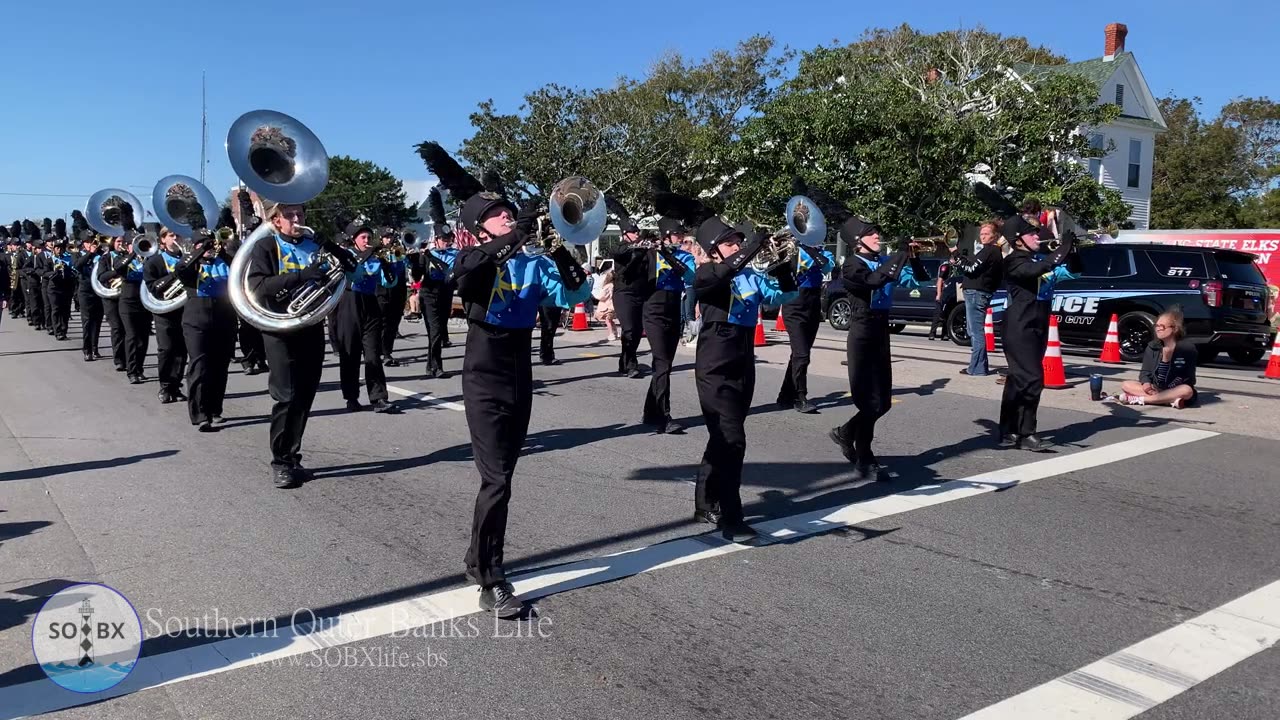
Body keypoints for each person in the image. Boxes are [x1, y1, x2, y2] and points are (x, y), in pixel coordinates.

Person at [689, 218, 798, 540]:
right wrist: (752, 245)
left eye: (739, 241)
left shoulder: (751, 275)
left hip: (742, 363)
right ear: (713, 251)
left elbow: (784, 297)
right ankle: (731, 518)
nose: (737, 246)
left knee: (723, 438)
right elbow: (721, 276)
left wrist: (781, 266)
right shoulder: (706, 273)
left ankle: (704, 501)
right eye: (730, 243)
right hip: (714, 367)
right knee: (732, 440)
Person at [244, 201, 354, 488]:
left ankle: (292, 456)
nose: (297, 218)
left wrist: (330, 245)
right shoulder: (266, 247)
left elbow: (349, 267)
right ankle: (280, 461)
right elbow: (259, 287)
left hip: (310, 326)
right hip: (279, 328)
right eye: (289, 215)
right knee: (286, 396)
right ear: (276, 221)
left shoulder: (313, 245)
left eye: (300, 214)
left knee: (305, 396)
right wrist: (302, 276)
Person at [829, 218, 928, 477]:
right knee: (869, 401)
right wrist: (898, 255)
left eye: (876, 232)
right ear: (857, 241)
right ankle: (865, 455)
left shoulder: (884, 261)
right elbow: (872, 281)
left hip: (882, 330)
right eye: (870, 234)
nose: (877, 236)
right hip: (862, 331)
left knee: (883, 402)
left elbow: (919, 281)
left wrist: (913, 257)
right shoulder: (852, 265)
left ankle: (845, 432)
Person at [998, 218, 1079, 450]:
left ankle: (1008, 429)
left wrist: (1072, 252)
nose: (1038, 237)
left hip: (1039, 324)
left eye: (1037, 233)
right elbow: (1034, 271)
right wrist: (1061, 249)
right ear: (1018, 241)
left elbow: (1074, 272)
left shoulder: (1042, 259)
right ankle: (1026, 433)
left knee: (1017, 379)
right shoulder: (1013, 262)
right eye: (1031, 234)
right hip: (1018, 325)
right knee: (1033, 378)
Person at [329, 224, 395, 413]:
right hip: (348, 304)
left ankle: (379, 397)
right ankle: (351, 397)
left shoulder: (376, 258)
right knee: (349, 353)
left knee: (373, 354)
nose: (367, 241)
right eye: (363, 237)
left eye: (369, 237)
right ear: (353, 239)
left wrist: (389, 266)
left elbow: (389, 281)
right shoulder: (345, 255)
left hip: (370, 305)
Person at [177, 228, 239, 431]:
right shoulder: (190, 263)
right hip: (197, 318)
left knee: (220, 366)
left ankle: (215, 410)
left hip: (225, 317)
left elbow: (241, 265)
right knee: (199, 365)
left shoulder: (225, 261)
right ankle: (200, 414)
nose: (209, 246)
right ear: (195, 246)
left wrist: (220, 250)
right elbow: (181, 271)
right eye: (203, 243)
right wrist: (199, 251)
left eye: (210, 242)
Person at [642, 221, 695, 434]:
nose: (681, 237)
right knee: (662, 364)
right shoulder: (650, 255)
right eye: (676, 234)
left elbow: (690, 277)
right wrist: (644, 249)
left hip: (673, 307)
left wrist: (668, 253)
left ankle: (649, 411)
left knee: (664, 364)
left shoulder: (685, 256)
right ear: (665, 235)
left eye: (682, 233)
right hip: (653, 308)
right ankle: (663, 416)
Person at [776, 236, 835, 414]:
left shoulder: (822, 253)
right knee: (802, 354)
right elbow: (786, 268)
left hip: (813, 302)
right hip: (794, 302)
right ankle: (799, 396)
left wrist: (810, 249)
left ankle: (785, 394)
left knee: (800, 353)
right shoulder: (792, 251)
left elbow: (827, 266)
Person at [99, 210, 151, 384]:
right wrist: (132, 254)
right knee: (132, 335)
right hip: (127, 301)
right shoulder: (121, 259)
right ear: (128, 245)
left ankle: (140, 368)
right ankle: (132, 370)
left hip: (144, 300)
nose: (137, 245)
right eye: (133, 243)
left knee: (143, 337)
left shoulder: (148, 259)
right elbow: (119, 269)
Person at [1111, 308, 1198, 408]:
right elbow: (1145, 372)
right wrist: (1146, 385)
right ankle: (1168, 400)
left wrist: (1166, 361)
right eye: (1157, 325)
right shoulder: (1153, 346)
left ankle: (1142, 399)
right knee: (1126, 385)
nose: (1158, 329)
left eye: (1162, 326)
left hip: (1176, 388)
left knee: (1187, 391)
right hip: (1154, 388)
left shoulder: (1187, 349)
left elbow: (1188, 377)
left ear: (1175, 329)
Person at [144, 228, 189, 403]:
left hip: (185, 309)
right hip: (164, 311)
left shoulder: (188, 258)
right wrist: (175, 274)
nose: (176, 237)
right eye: (171, 235)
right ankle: (165, 386)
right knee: (167, 349)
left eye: (177, 234)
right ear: (163, 240)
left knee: (181, 350)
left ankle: (176, 386)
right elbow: (153, 287)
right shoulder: (154, 261)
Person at [956, 221, 1003, 375]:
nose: (983, 236)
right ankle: (979, 366)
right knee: (974, 330)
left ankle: (976, 368)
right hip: (980, 292)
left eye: (987, 234)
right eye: (982, 234)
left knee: (976, 332)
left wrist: (957, 257)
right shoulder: (992, 252)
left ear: (994, 236)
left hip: (977, 293)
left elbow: (971, 269)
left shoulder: (989, 251)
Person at [611, 222, 650, 378]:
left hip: (641, 293)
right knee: (629, 328)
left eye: (638, 232)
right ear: (625, 234)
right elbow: (619, 253)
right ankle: (632, 364)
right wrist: (638, 245)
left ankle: (624, 360)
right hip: (624, 294)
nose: (637, 234)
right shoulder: (620, 247)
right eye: (633, 232)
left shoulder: (643, 249)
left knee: (637, 330)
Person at [376, 230, 408, 366]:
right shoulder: (377, 252)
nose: (388, 240)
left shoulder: (399, 250)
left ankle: (387, 352)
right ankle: (378, 351)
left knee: (393, 324)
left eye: (390, 237)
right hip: (382, 291)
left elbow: (405, 263)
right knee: (381, 322)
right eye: (386, 237)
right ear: (381, 238)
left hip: (398, 290)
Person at [97, 235, 129, 372]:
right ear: (113, 243)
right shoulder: (105, 257)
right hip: (110, 297)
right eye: (118, 242)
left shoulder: (129, 256)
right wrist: (116, 271)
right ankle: (119, 359)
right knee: (116, 328)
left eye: (123, 242)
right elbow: (101, 277)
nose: (121, 244)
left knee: (128, 329)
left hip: (126, 296)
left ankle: (129, 359)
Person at [73, 231, 106, 361]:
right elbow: (77, 265)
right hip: (85, 291)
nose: (91, 243)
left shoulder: (101, 255)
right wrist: (90, 253)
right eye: (88, 242)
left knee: (98, 321)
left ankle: (95, 347)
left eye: (93, 241)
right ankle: (87, 349)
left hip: (98, 290)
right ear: (84, 244)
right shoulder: (77, 254)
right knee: (87, 321)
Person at [44, 239, 77, 341]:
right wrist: (53, 273)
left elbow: (74, 270)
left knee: (65, 310)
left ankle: (64, 330)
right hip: (54, 288)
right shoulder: (49, 259)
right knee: (56, 309)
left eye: (61, 248)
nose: (59, 249)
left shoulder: (68, 258)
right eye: (57, 248)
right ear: (53, 249)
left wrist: (68, 271)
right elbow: (45, 273)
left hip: (66, 287)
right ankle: (57, 331)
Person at [927, 245, 959, 341]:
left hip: (952, 294)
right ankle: (932, 333)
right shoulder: (946, 266)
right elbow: (940, 280)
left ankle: (944, 334)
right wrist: (938, 294)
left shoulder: (957, 267)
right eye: (955, 259)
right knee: (938, 313)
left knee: (948, 314)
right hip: (943, 293)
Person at [592, 269, 618, 340]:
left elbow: (602, 296)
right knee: (610, 320)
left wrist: (596, 296)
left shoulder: (607, 286)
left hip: (607, 306)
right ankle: (615, 332)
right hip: (613, 305)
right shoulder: (614, 285)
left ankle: (611, 334)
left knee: (607, 320)